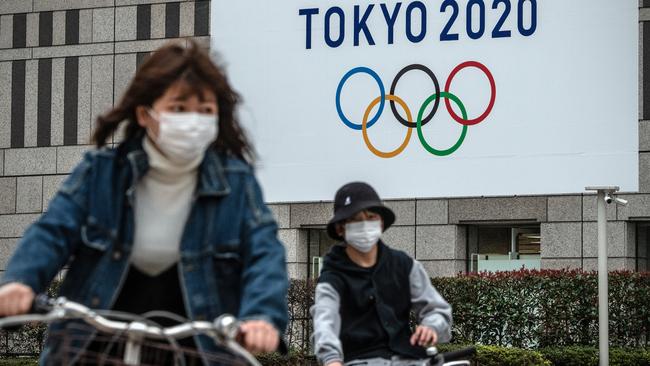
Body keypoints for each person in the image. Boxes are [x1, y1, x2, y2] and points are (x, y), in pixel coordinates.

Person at [0, 40, 288, 364]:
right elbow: (53, 230)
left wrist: (262, 316)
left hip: (197, 348)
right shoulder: (102, 173)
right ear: (144, 114)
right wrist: (20, 282)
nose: (193, 121)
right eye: (178, 108)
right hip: (93, 346)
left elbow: (264, 252)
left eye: (205, 110)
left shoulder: (236, 182)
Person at [311, 182, 452, 366]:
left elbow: (437, 309)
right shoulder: (332, 278)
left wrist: (431, 326)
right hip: (359, 361)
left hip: (412, 360)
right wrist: (331, 359)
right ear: (340, 228)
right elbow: (325, 322)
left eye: (371, 217)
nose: (364, 225)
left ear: (381, 222)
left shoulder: (404, 265)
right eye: (355, 219)